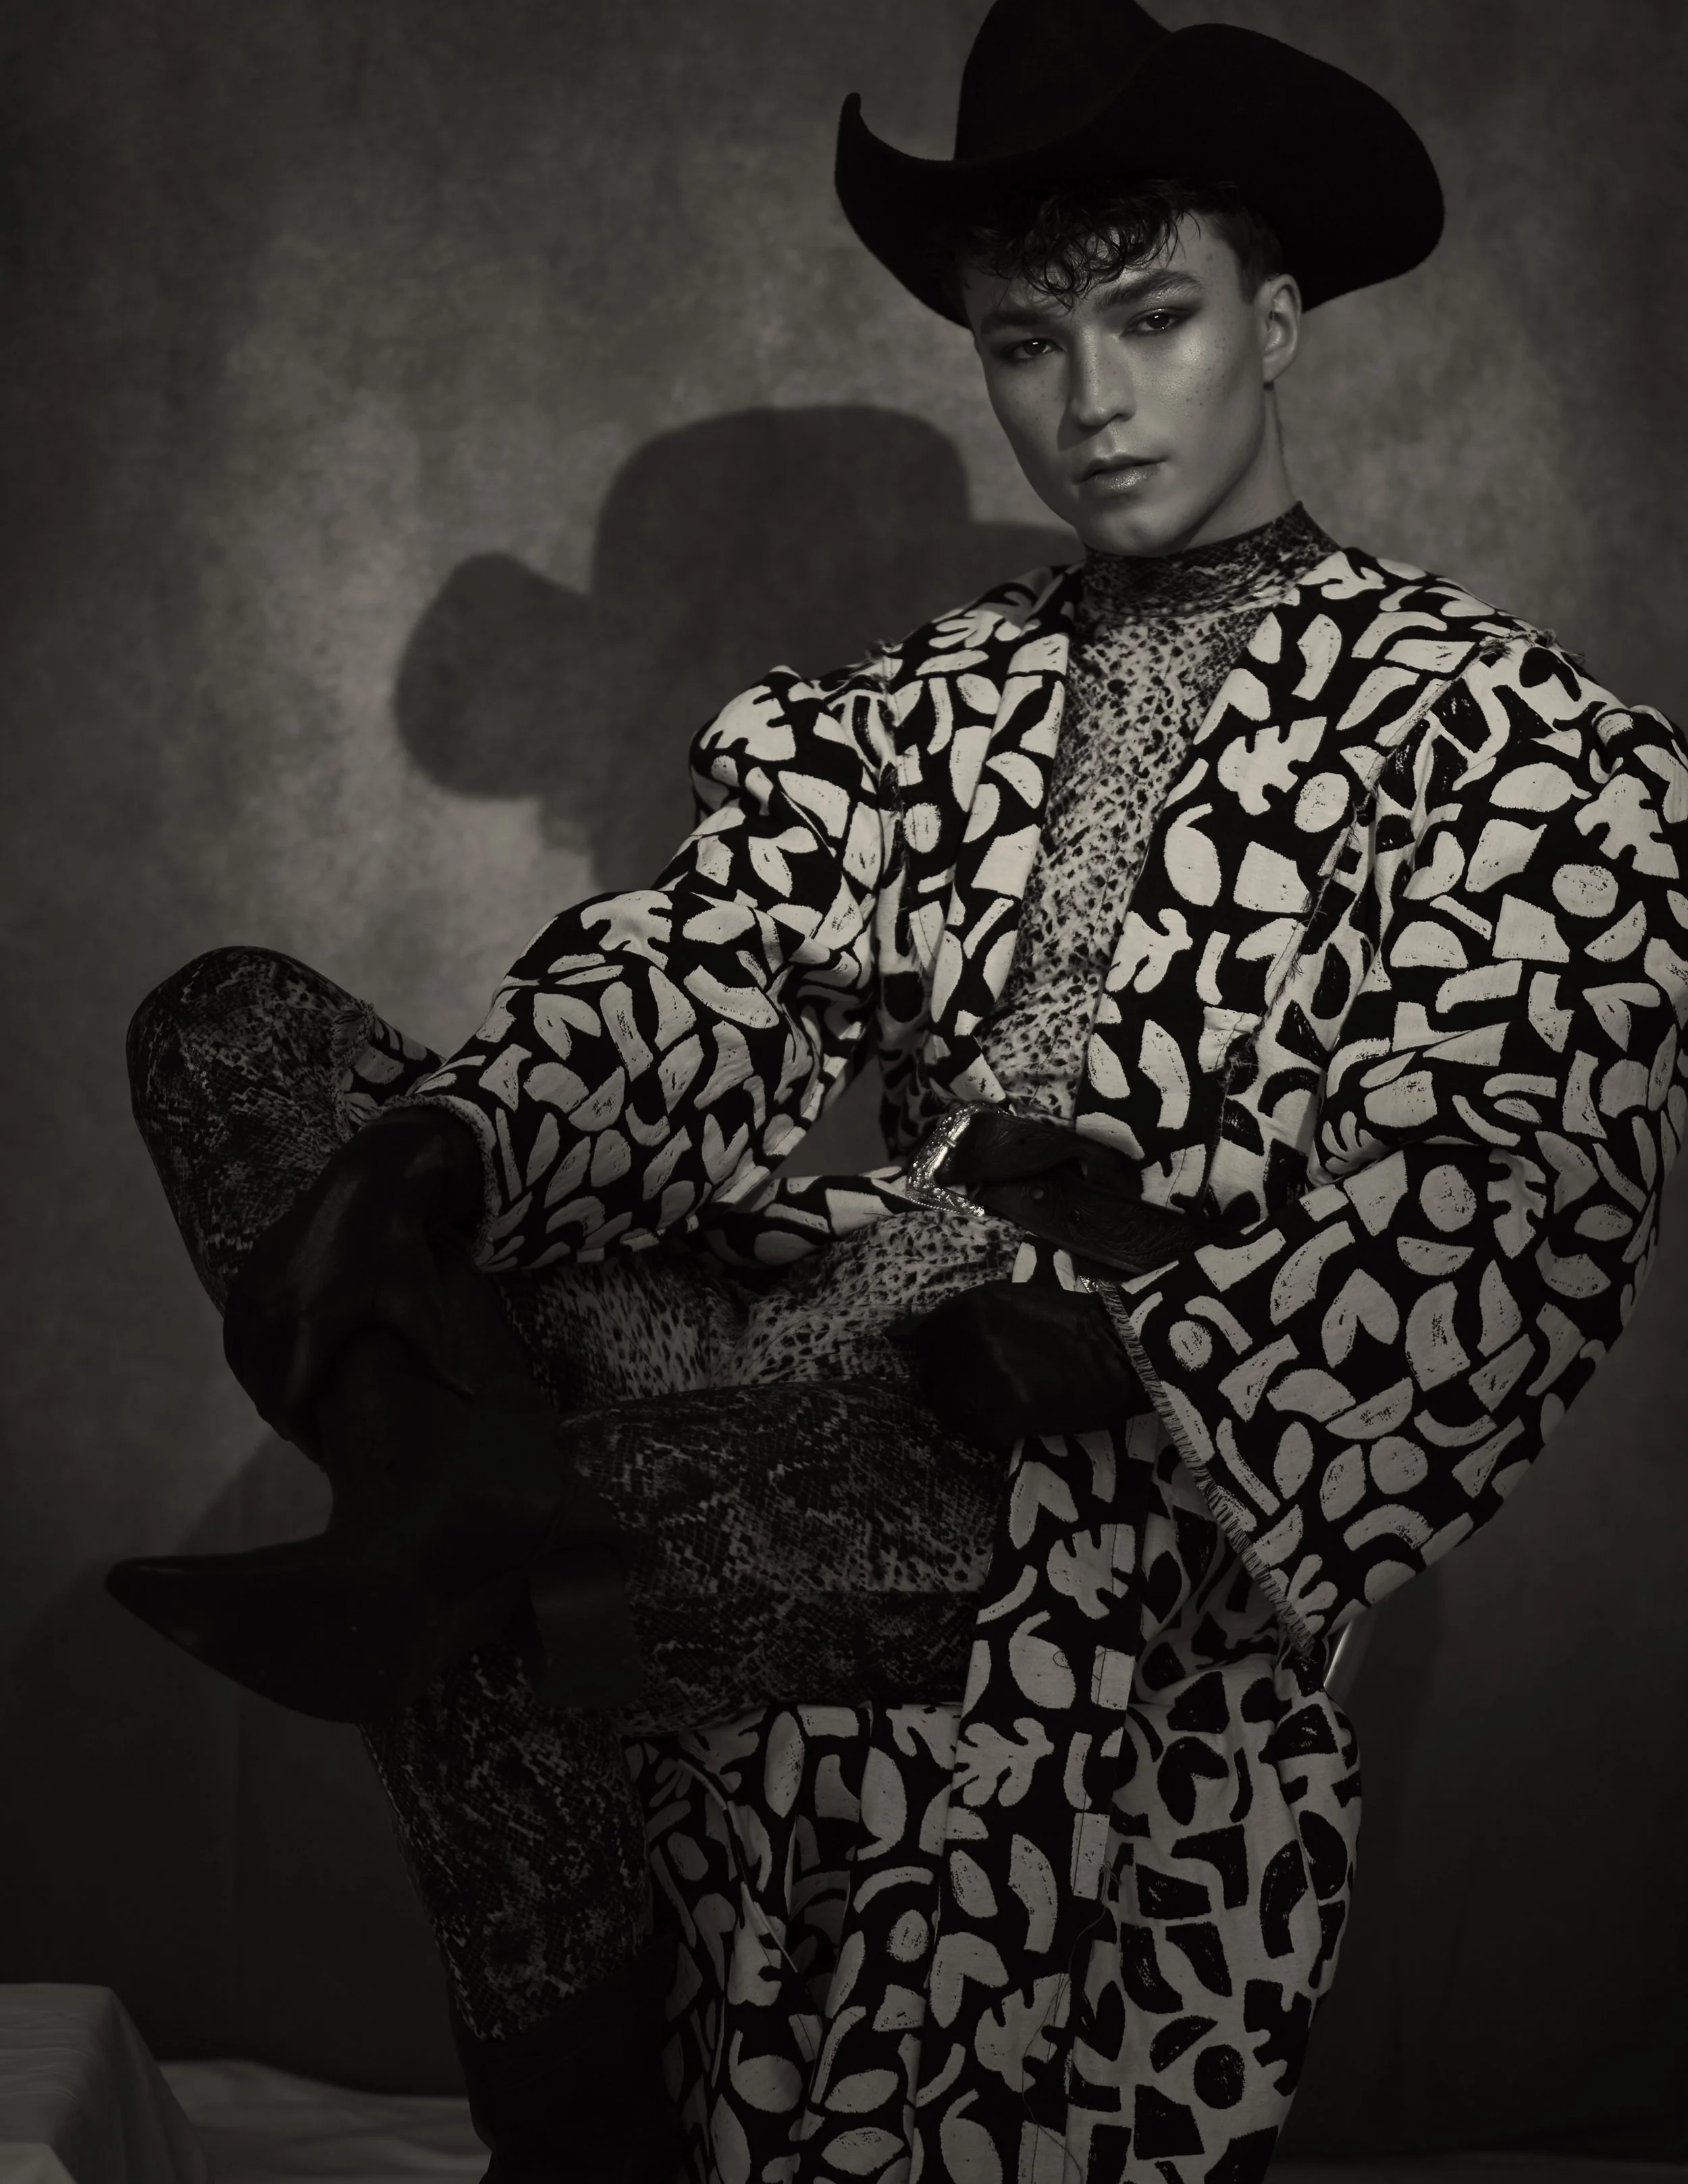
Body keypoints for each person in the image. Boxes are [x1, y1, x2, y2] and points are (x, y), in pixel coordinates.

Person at [111, 3, 1688, 2180]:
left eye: (1150, 319)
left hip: (1107, 1452)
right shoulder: (918, 704)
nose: (1089, 398)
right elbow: (715, 970)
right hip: (806, 1334)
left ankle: (515, 1736)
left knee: (655, 1577)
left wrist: (1135, 1344)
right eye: (1026, 341)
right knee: (235, 1036)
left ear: (1275, 321)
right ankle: (466, 1505)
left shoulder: (1522, 746)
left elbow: (1517, 1183)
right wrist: (457, 1151)